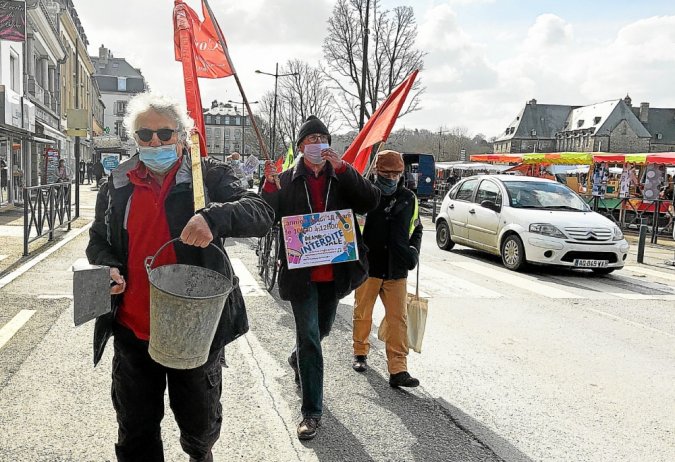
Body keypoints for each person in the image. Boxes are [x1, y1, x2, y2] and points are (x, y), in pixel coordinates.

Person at [85, 92, 274, 462]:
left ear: (182, 136)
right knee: (135, 432)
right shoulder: (118, 183)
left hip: (195, 332)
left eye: (165, 133)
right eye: (145, 135)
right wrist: (107, 265)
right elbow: (98, 239)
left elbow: (262, 212)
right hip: (132, 328)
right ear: (133, 139)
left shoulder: (210, 175)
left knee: (199, 430)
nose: (154, 142)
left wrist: (213, 217)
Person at [261, 115, 380, 440]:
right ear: (300, 147)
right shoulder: (286, 179)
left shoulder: (342, 176)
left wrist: (345, 169)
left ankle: (298, 357)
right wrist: (270, 185)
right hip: (301, 276)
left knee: (322, 330)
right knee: (311, 337)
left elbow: (370, 201)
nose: (317, 144)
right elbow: (267, 217)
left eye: (322, 138)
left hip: (335, 274)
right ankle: (311, 412)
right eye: (311, 139)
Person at [352, 150, 423, 387]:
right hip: (369, 266)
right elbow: (350, 227)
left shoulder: (408, 198)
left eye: (396, 173)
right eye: (386, 173)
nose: (391, 177)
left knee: (398, 319)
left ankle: (398, 369)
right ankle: (360, 352)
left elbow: (417, 228)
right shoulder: (365, 196)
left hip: (396, 268)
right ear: (375, 170)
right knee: (363, 312)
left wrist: (413, 252)